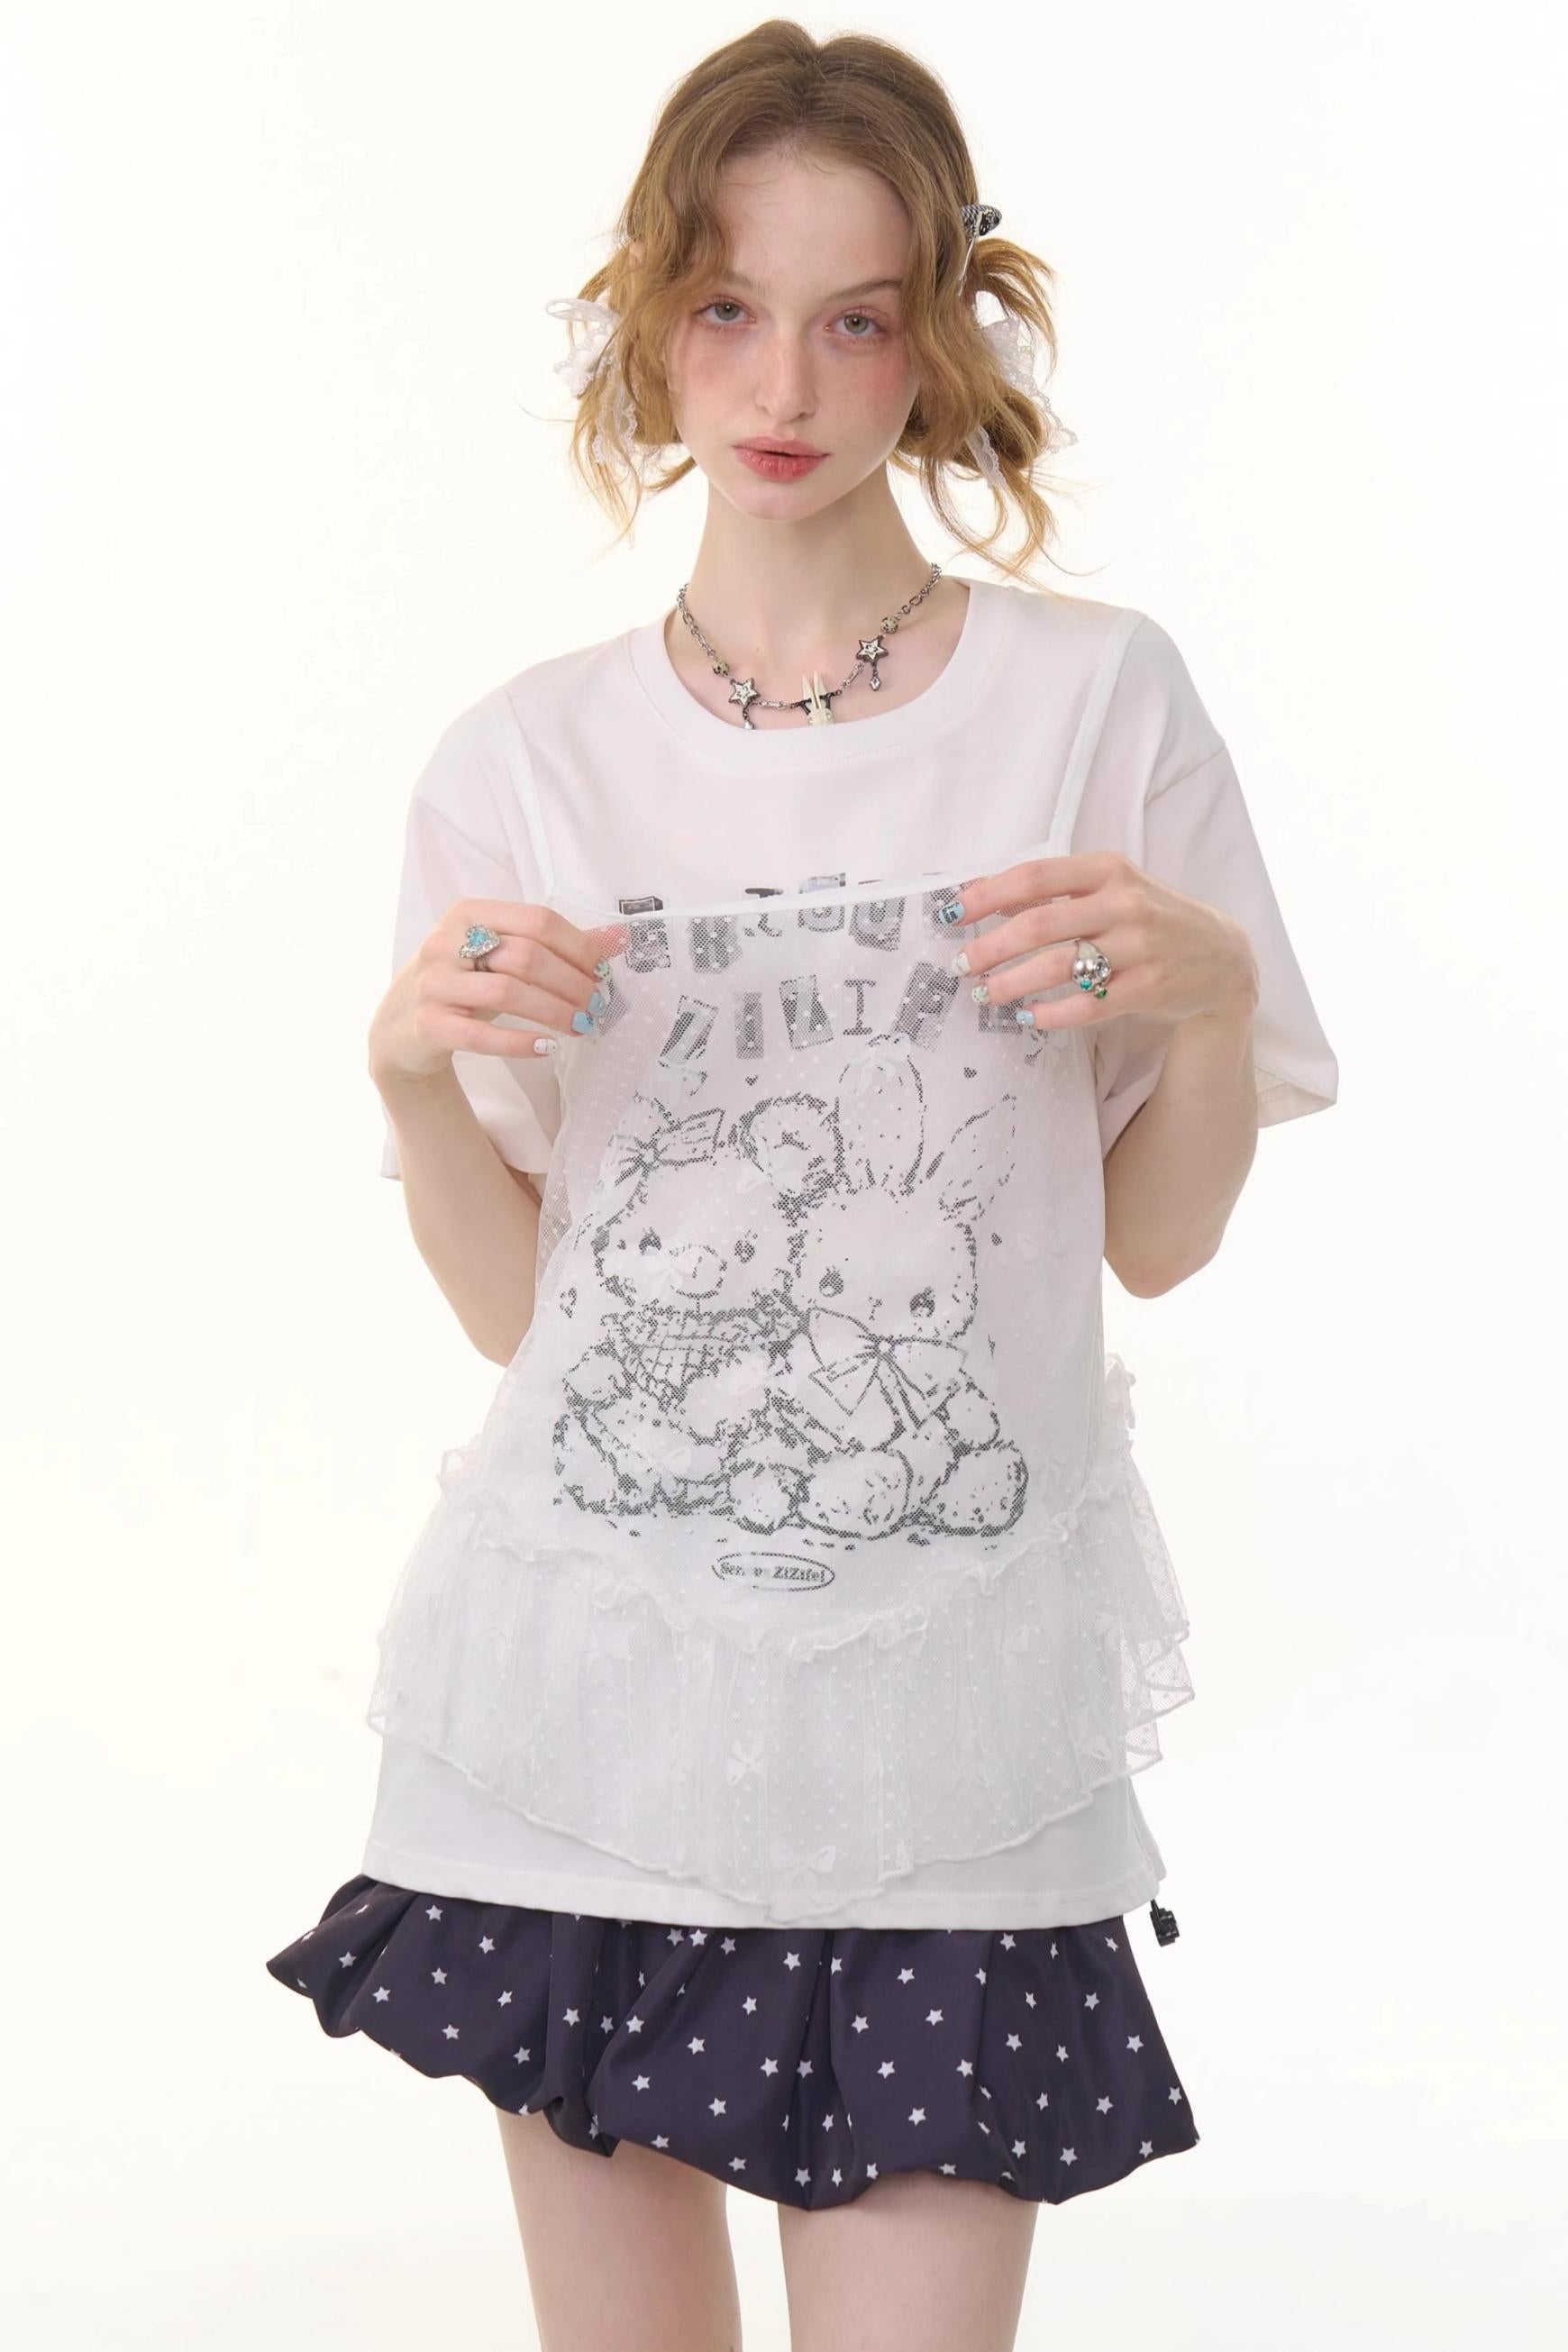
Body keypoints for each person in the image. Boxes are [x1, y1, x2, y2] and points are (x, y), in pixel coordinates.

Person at [266, 22, 1338, 2352]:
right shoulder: (524, 759)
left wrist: (1208, 994)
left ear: (938, 336)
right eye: (730, 307)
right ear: (652, 320)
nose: (785, 382)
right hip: (587, 1719)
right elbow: (521, 1318)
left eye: (857, 317)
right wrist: (415, 1077)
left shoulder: (1091, 701)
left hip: (946, 1741)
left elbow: (1158, 1240)